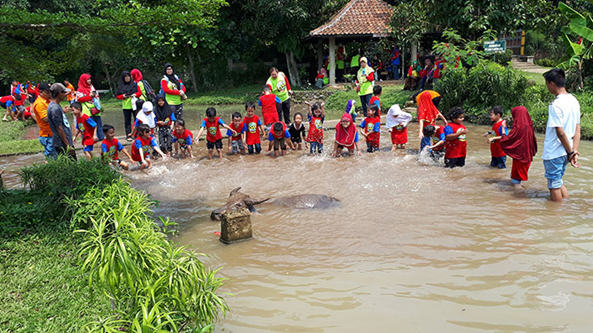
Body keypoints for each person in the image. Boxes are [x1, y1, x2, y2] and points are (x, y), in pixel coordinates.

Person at [542, 68, 581, 202]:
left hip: (555, 151)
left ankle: (556, 215)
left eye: (546, 84)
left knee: (553, 185)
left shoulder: (555, 105)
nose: (547, 87)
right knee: (557, 181)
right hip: (566, 150)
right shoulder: (574, 101)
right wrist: (573, 150)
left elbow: (560, 132)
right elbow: (577, 129)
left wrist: (571, 152)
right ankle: (566, 205)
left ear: (552, 83)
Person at [499, 106, 537, 188]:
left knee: (516, 180)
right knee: (517, 178)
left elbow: (507, 140)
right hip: (527, 156)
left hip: (520, 157)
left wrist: (503, 129)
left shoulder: (518, 127)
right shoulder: (529, 125)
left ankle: (519, 196)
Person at [47, 83, 76, 159]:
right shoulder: (54, 108)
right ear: (59, 93)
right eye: (64, 92)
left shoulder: (56, 106)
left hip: (64, 142)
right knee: (70, 167)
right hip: (62, 144)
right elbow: (59, 128)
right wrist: (67, 145)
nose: (66, 94)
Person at [32, 83, 57, 160]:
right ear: (40, 92)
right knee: (51, 157)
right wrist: (59, 112)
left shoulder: (47, 101)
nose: (50, 94)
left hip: (51, 133)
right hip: (48, 135)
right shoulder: (40, 103)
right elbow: (45, 119)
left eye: (50, 92)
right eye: (47, 92)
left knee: (54, 156)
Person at [76, 74, 104, 141]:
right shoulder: (80, 89)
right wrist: (89, 96)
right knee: (89, 126)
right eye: (88, 79)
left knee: (98, 124)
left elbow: (96, 95)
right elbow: (79, 99)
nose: (89, 80)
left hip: (95, 109)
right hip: (87, 110)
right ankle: (89, 139)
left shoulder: (91, 86)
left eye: (90, 79)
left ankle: (100, 138)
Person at [116, 70, 141, 141]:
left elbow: (139, 92)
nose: (127, 78)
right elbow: (117, 95)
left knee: (137, 120)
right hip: (126, 106)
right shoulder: (120, 86)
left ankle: (137, 134)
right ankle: (128, 135)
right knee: (127, 121)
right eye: (125, 77)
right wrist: (122, 96)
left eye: (128, 76)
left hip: (135, 105)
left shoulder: (134, 84)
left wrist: (135, 94)